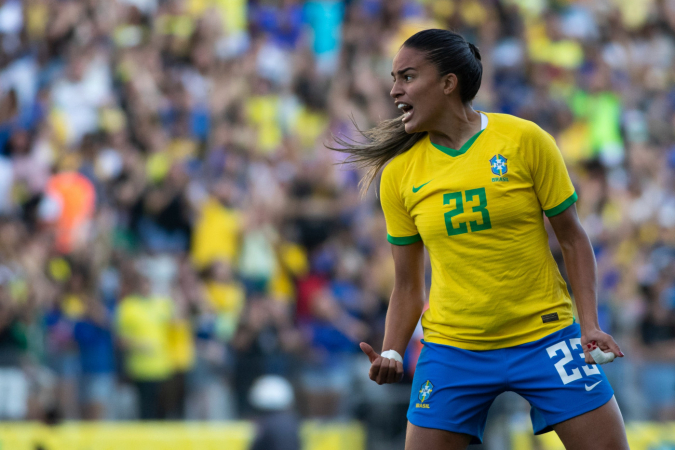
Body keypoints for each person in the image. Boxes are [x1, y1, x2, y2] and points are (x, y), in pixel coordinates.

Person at [330, 29, 629, 450]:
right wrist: (393, 351)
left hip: (546, 338)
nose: (395, 89)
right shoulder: (398, 174)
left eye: (408, 77)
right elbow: (409, 285)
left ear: (449, 83)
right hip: (454, 351)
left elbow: (574, 241)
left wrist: (591, 323)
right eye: (394, 77)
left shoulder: (526, 140)